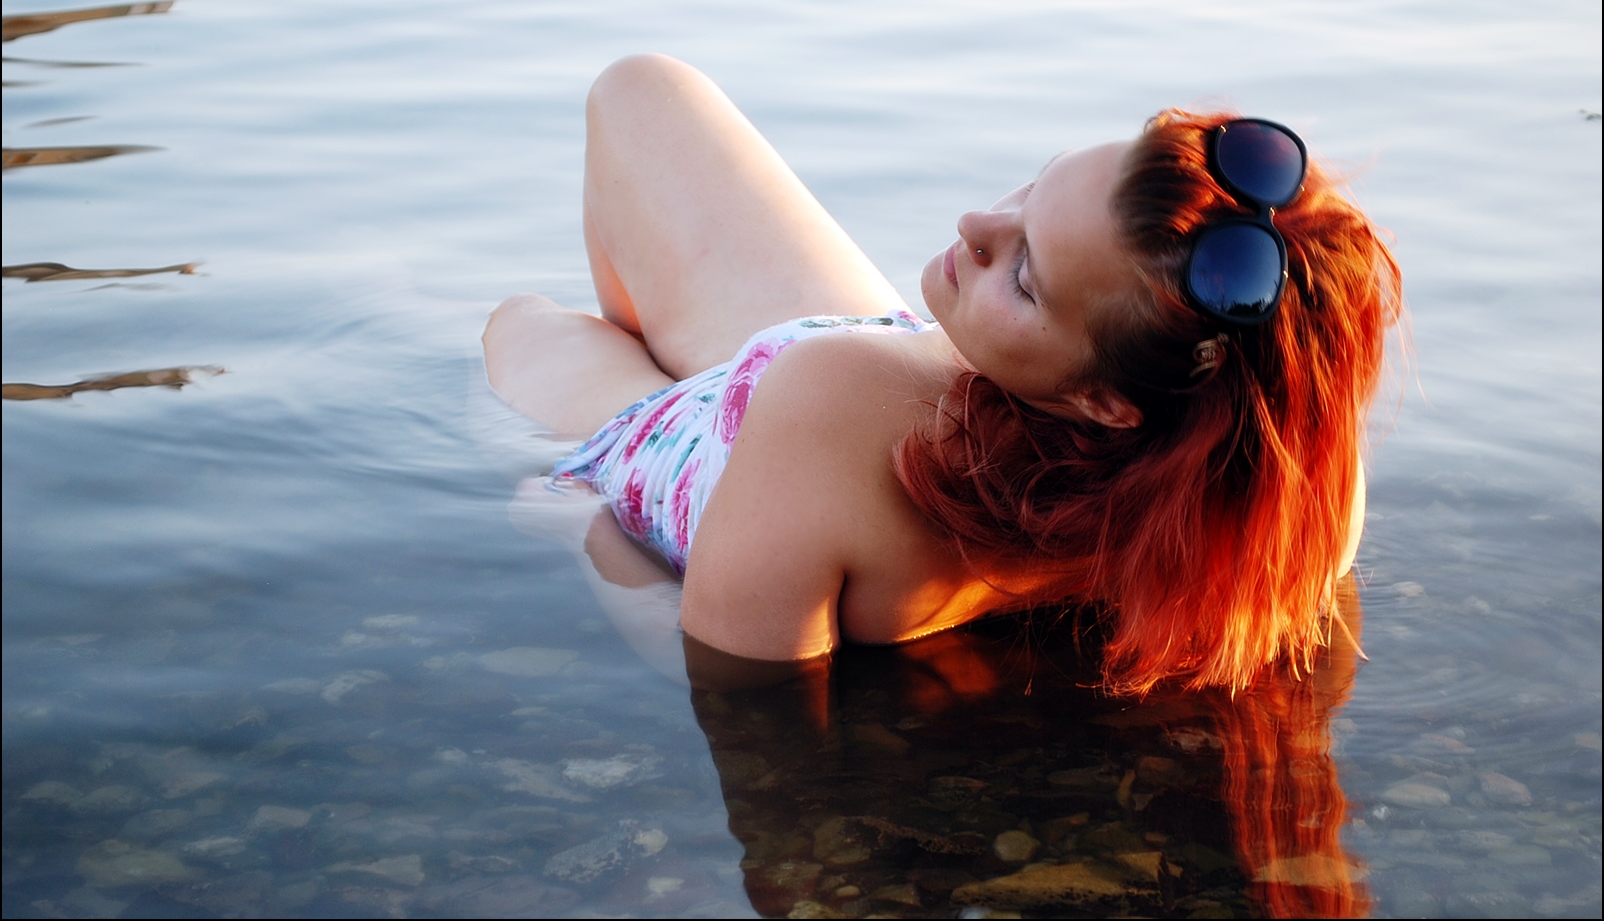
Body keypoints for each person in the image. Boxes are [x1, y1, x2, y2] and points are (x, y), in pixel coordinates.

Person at [483, 53, 1400, 695]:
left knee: (521, 324)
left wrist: (577, 526)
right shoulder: (1286, 464)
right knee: (644, 90)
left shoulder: (836, 401)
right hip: (869, 377)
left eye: (1026, 273)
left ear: (1104, 402)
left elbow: (725, 675)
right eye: (1031, 190)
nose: (972, 222)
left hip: (681, 456)